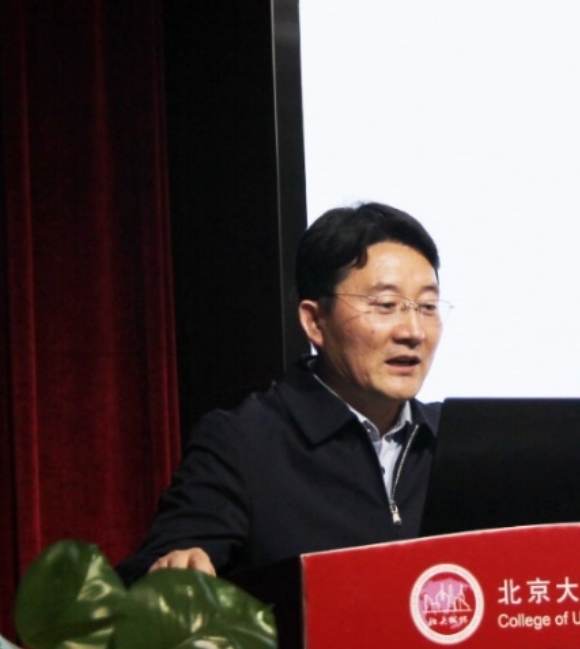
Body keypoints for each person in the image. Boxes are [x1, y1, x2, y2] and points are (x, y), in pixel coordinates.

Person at [117, 202, 446, 584]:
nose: (413, 332)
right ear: (314, 321)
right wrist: (177, 566)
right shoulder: (243, 444)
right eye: (386, 305)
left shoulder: (453, 441)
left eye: (427, 307)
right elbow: (151, 577)